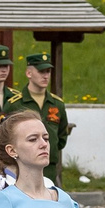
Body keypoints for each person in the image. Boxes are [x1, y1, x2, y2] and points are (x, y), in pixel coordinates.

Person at [21, 53, 71, 182]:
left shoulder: (57, 104)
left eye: (48, 71)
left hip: (49, 167)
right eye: (41, 71)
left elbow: (61, 136)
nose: (45, 76)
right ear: (29, 73)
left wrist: (51, 148)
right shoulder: (16, 104)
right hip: (23, 167)